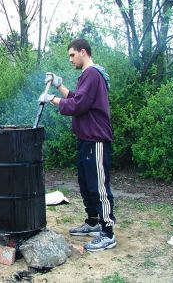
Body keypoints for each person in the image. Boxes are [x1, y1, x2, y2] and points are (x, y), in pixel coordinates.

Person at [39, 38, 117, 252]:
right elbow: (76, 97)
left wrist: (52, 98)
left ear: (83, 52)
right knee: (86, 184)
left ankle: (108, 233)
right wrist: (60, 85)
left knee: (99, 187)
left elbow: (78, 105)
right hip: (85, 140)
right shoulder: (87, 76)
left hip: (97, 140)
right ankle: (92, 222)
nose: (71, 59)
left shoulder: (92, 74)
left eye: (72, 55)